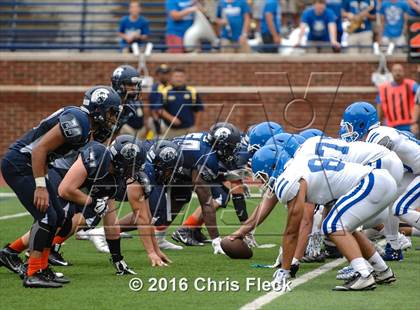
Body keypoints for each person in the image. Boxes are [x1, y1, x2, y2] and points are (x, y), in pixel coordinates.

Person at [0, 86, 121, 288]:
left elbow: (46, 155)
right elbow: (39, 150)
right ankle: (33, 272)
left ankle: (41, 267)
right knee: (47, 216)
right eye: (110, 111)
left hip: (34, 165)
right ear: (99, 108)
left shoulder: (86, 126)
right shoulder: (78, 120)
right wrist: (41, 186)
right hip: (20, 163)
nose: (112, 117)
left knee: (62, 219)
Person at [152, 68, 204, 139]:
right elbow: (158, 109)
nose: (179, 79)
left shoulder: (192, 91)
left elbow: (199, 110)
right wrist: (171, 118)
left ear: (185, 78)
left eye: (181, 76)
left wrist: (196, 126)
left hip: (188, 129)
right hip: (170, 130)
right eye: (176, 76)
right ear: (172, 78)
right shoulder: (165, 91)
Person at [111, 65, 151, 139]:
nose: (134, 88)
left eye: (135, 84)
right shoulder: (112, 102)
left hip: (138, 133)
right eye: (130, 84)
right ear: (119, 84)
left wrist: (146, 123)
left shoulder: (133, 99)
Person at [376, 64, 419, 132]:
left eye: (400, 70)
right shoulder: (383, 89)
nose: (397, 73)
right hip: (391, 126)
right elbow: (379, 106)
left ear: (404, 72)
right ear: (391, 73)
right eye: (395, 71)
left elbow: (418, 99)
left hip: (409, 125)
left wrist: (415, 122)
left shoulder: (411, 85)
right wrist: (378, 123)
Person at [149, 64, 172, 136]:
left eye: (166, 73)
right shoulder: (155, 87)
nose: (164, 75)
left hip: (172, 120)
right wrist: (157, 123)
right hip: (161, 119)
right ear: (158, 74)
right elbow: (153, 107)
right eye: (162, 73)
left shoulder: (171, 86)